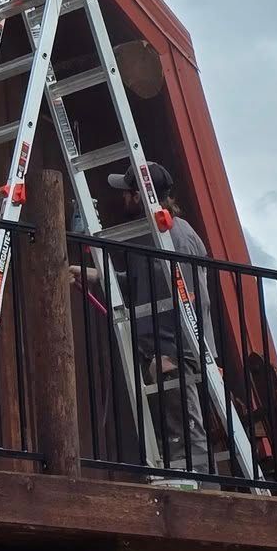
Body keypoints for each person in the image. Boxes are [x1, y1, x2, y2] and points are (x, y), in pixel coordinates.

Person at [104, 162, 214, 473]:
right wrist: (94, 274)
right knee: (174, 429)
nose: (123, 199)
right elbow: (142, 285)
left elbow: (191, 298)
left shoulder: (173, 238)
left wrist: (172, 354)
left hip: (175, 350)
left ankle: (202, 496)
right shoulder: (158, 235)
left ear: (139, 196)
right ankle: (186, 484)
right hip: (166, 349)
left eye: (127, 193)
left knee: (184, 429)